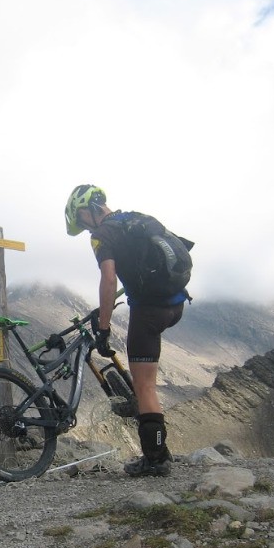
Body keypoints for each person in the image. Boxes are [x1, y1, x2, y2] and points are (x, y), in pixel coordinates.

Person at [64, 184, 191, 476]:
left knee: (144, 387)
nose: (85, 229)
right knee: (147, 385)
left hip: (148, 311)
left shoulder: (102, 235)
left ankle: (156, 459)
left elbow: (109, 280)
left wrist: (104, 329)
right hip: (175, 304)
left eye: (82, 222)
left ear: (87, 211)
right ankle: (160, 449)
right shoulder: (136, 218)